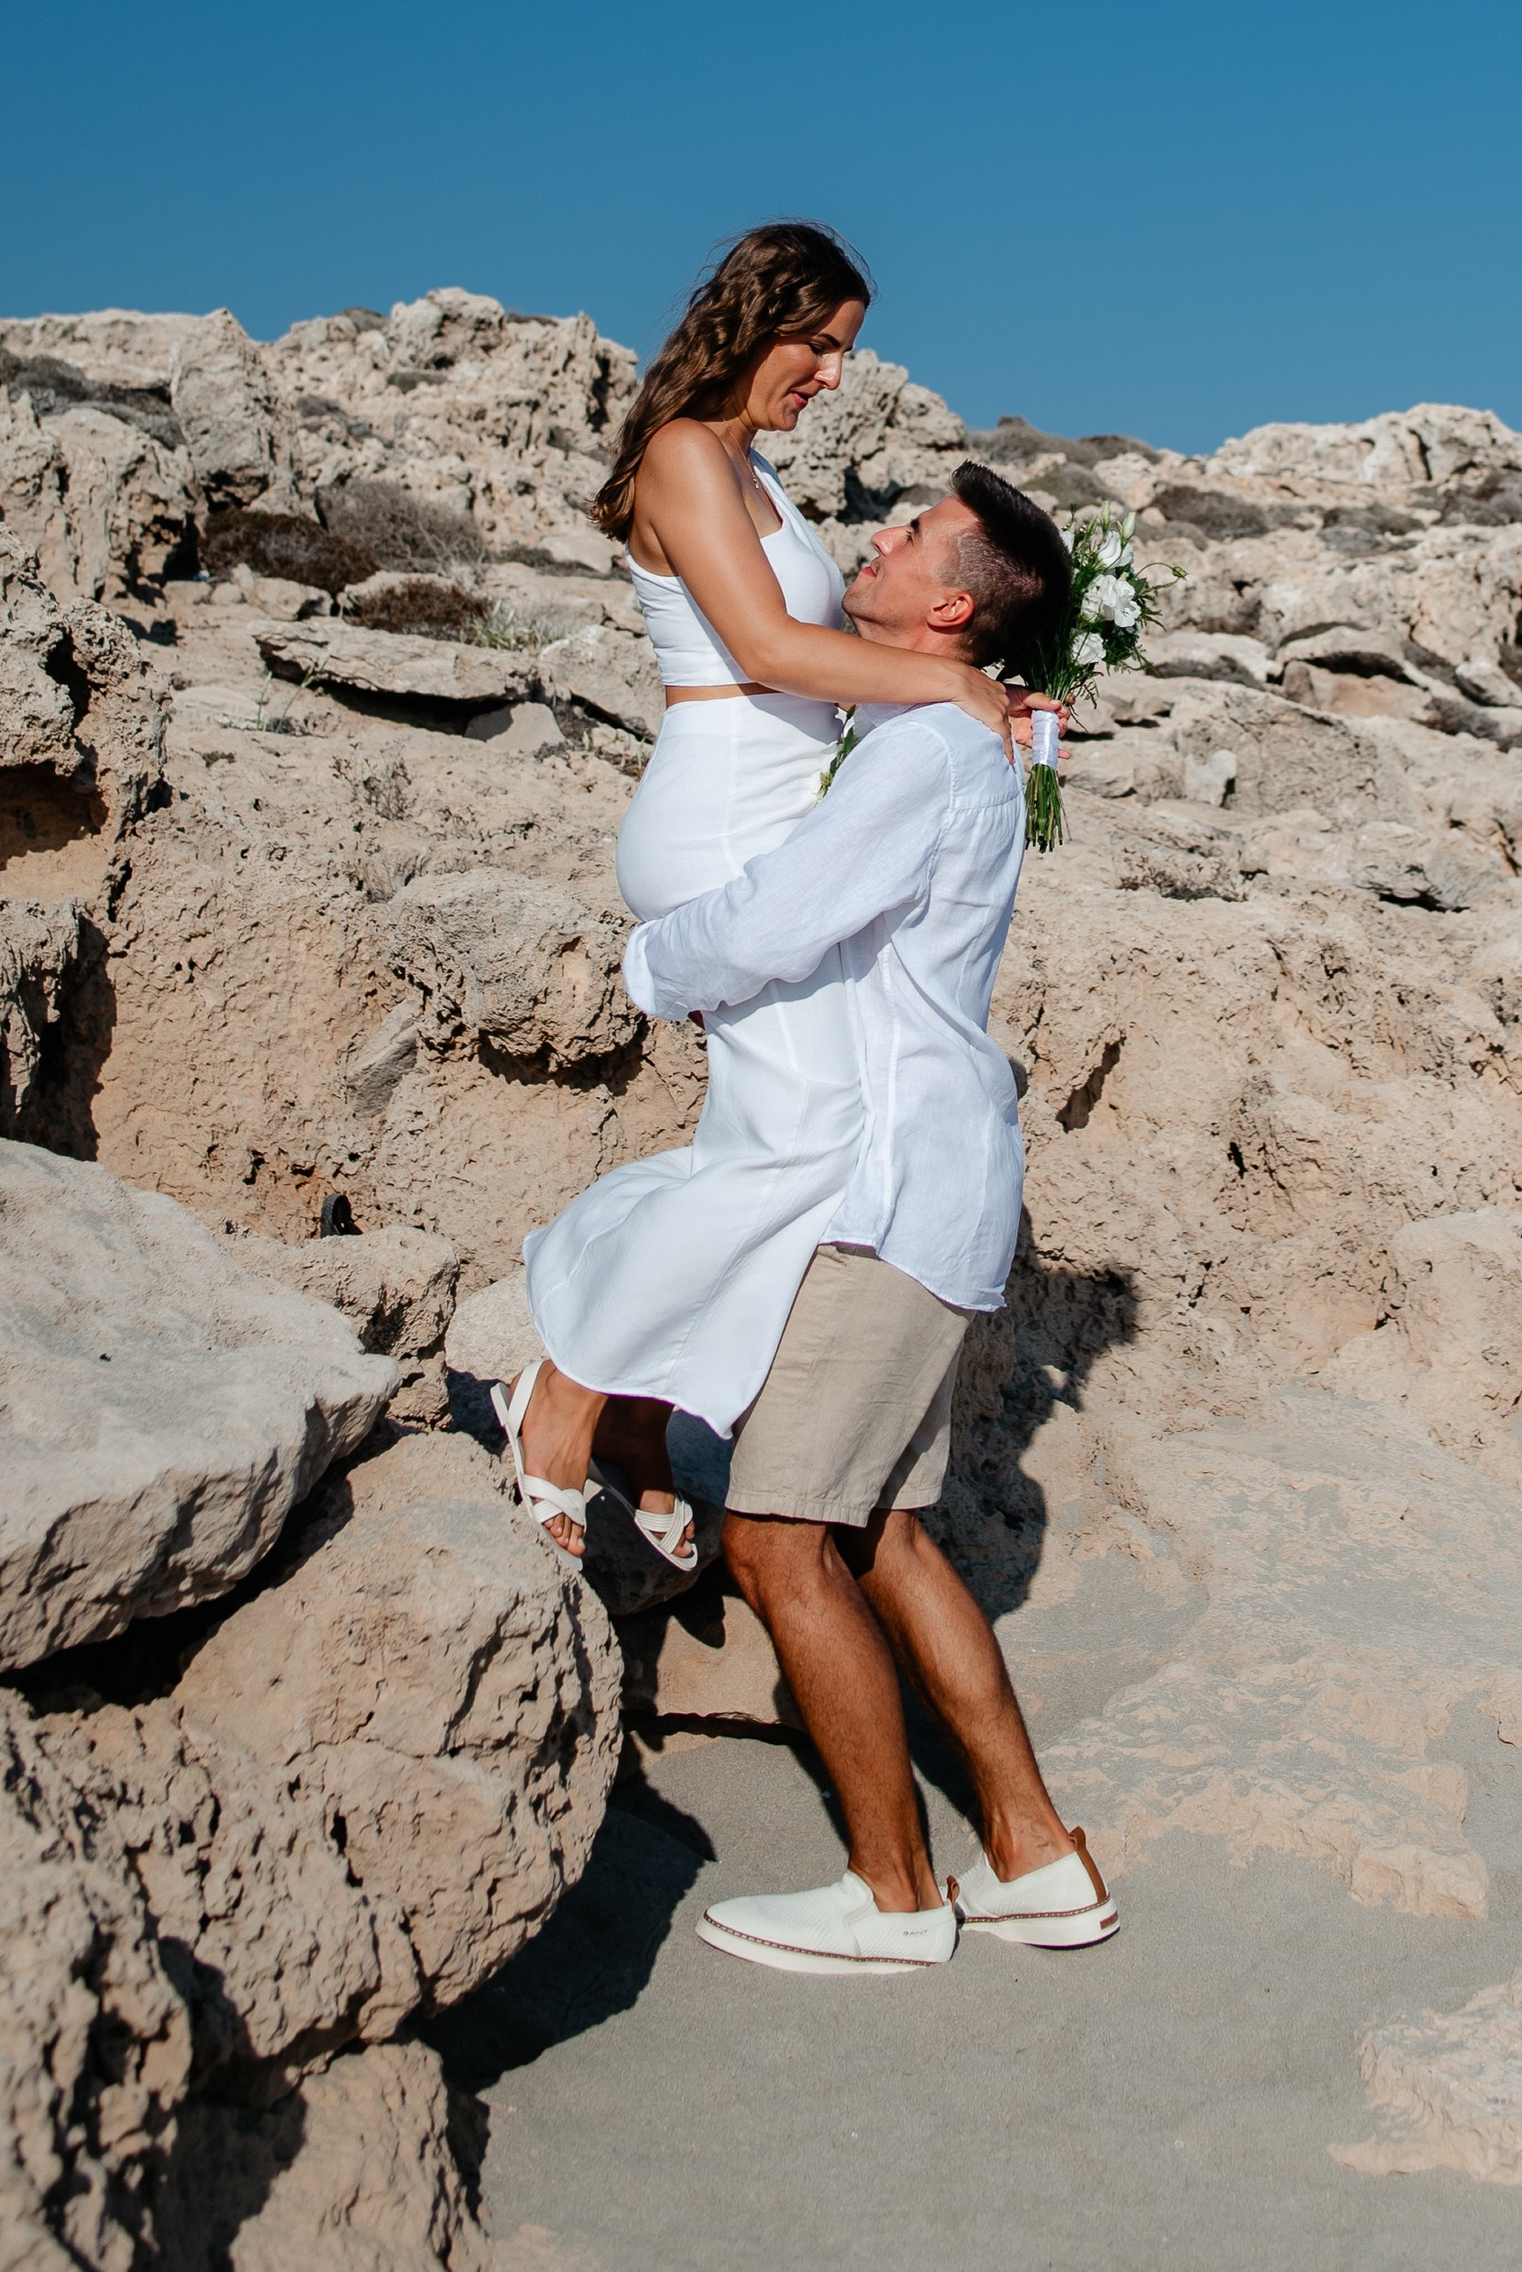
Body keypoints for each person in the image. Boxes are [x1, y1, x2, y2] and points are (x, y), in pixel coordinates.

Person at [617, 465, 1118, 1977]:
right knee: (887, 1531)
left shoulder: (925, 759)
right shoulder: (952, 735)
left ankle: (896, 1894)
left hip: (890, 1192)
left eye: (905, 540)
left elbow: (777, 922)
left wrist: (652, 962)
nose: (875, 545)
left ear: (950, 605)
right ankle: (1036, 1857)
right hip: (946, 1185)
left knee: (776, 1540)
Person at [496, 221, 1021, 1573]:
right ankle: (566, 1384)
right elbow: (772, 646)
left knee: (790, 1135)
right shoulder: (683, 453)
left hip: (781, 808)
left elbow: (842, 637)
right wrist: (955, 686)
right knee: (804, 1140)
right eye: (824, 348)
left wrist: (990, 680)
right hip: (721, 804)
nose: (835, 378)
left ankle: (635, 1419)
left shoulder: (753, 468)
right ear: (761, 317)